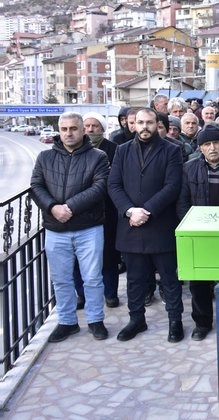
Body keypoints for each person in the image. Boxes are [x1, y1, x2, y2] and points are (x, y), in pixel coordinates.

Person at [30, 112, 110, 342]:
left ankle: (95, 320)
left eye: (73, 128)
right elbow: (36, 186)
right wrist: (53, 207)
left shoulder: (98, 157)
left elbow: (100, 187)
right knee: (61, 279)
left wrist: (70, 207)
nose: (68, 133)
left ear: (83, 130)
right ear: (59, 131)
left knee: (92, 278)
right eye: (64, 129)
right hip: (56, 229)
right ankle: (67, 322)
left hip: (88, 228)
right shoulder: (45, 157)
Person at [108, 108, 185, 343]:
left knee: (169, 278)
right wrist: (130, 211)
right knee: (135, 279)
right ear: (133, 125)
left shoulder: (172, 150)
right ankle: (136, 319)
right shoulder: (122, 151)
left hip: (160, 225)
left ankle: (175, 321)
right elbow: (114, 185)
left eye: (149, 122)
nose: (144, 127)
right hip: (131, 225)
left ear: (156, 124)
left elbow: (172, 186)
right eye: (140, 122)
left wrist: (147, 210)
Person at [177, 125, 219, 341]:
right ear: (200, 148)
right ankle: (202, 322)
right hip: (199, 233)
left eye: (216, 142)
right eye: (207, 144)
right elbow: (182, 201)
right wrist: (191, 226)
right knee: (198, 281)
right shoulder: (188, 168)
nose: (212, 147)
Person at [82, 112, 121, 308]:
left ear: (102, 128)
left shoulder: (114, 149)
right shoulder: (78, 150)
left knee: (108, 255)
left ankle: (110, 293)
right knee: (81, 258)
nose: (90, 130)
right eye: (87, 126)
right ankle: (82, 295)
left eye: (95, 126)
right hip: (81, 212)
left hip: (108, 210)